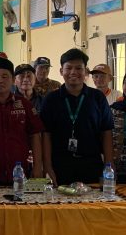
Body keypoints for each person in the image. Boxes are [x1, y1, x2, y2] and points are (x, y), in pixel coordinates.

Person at [40, 48, 114, 186]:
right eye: (69, 68)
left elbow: (107, 132)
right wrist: (47, 166)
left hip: (91, 164)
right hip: (60, 166)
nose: (73, 72)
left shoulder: (97, 98)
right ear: (61, 71)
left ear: (86, 71)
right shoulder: (51, 99)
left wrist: (109, 166)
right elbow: (46, 135)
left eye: (79, 68)